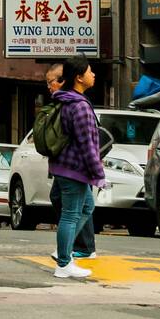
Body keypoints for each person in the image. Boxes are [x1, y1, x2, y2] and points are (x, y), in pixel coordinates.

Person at [49, 55, 106, 280]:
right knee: (71, 215)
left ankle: (63, 251)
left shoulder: (64, 100)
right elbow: (87, 143)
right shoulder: (79, 105)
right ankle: (63, 263)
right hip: (75, 170)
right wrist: (98, 173)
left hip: (64, 167)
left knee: (85, 208)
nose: (93, 75)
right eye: (90, 71)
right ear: (79, 78)